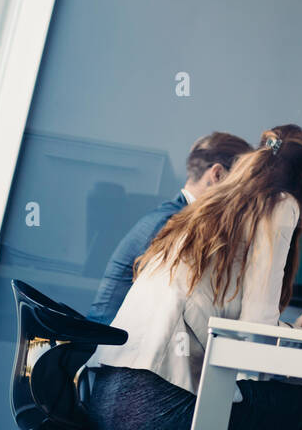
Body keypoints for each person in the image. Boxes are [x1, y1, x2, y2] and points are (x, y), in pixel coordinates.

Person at [88, 130, 302, 430]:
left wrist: (293, 332)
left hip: (112, 391)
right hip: (159, 397)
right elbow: (255, 331)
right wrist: (292, 339)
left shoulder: (210, 206)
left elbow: (230, 314)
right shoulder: (281, 203)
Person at [87, 132, 252, 324]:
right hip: (107, 346)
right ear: (217, 174)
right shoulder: (171, 224)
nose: (247, 199)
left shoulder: (176, 217)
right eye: (243, 185)